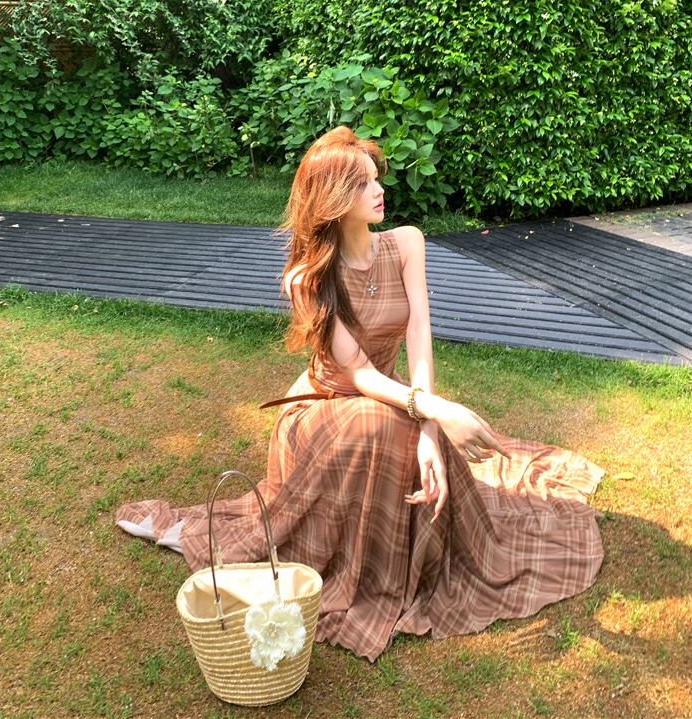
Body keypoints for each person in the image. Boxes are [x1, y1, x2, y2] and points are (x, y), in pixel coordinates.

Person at [115, 125, 605, 662]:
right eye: (363, 184)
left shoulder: (407, 243)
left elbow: (419, 335)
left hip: (391, 401)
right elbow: (361, 374)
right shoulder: (307, 280)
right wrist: (437, 409)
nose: (379, 190)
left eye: (376, 178)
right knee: (380, 421)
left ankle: (417, 560)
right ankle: (355, 570)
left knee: (402, 428)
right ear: (332, 200)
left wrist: (430, 426)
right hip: (321, 410)